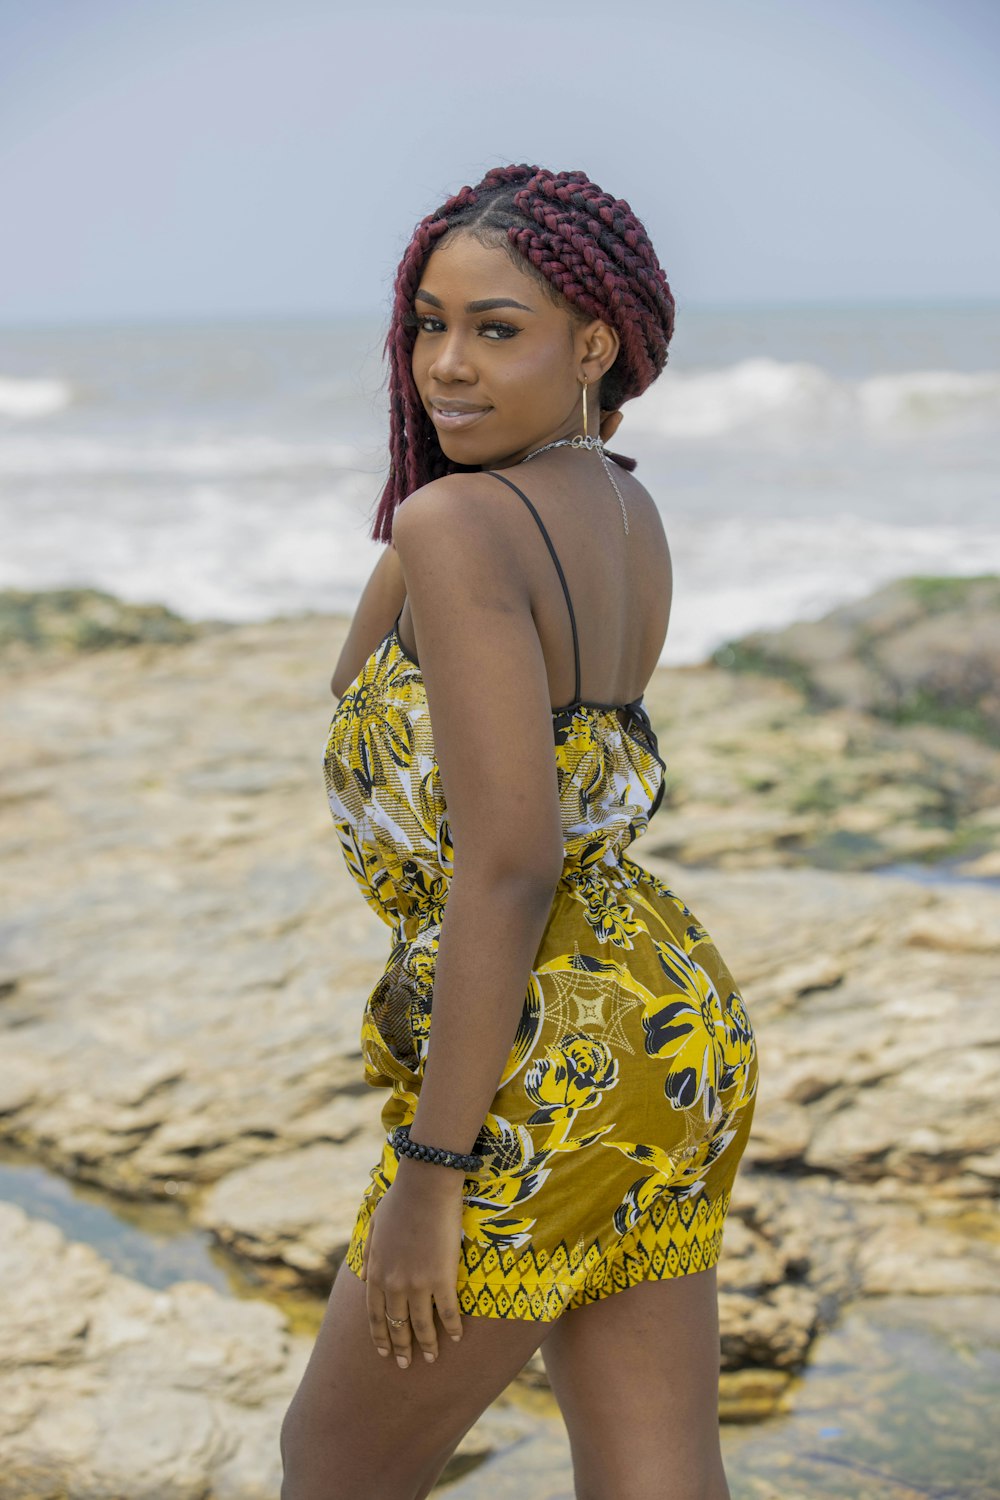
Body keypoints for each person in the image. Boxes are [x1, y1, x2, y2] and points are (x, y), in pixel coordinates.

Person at [281, 164, 759, 1500]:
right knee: (654, 1469)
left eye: (498, 330)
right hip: (674, 1034)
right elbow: (363, 670)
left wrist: (434, 1176)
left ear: (593, 343)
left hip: (535, 1062)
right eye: (429, 325)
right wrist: (431, 495)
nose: (446, 363)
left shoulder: (459, 525)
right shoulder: (620, 502)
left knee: (333, 1468)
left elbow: (509, 860)